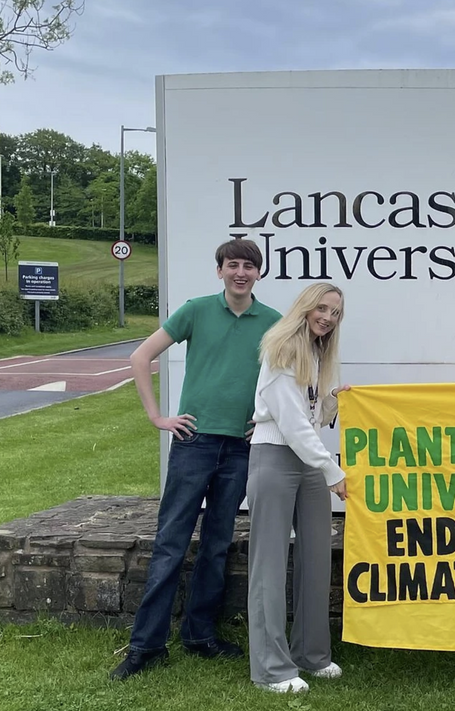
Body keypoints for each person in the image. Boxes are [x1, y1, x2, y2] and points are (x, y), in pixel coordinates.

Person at [112, 239, 281, 680]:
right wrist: (157, 417)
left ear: (258, 273)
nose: (240, 272)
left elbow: (293, 376)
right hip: (194, 441)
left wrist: (265, 420)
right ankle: (145, 646)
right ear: (220, 271)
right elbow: (140, 356)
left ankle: (200, 634)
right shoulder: (196, 310)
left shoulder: (273, 323)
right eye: (232, 265)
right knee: (170, 543)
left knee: (217, 543)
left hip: (241, 449)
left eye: (248, 266)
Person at [246, 282, 349, 693]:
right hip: (274, 457)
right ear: (305, 307)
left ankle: (311, 654)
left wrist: (335, 402)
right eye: (322, 308)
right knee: (268, 566)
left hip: (306, 461)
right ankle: (272, 668)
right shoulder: (281, 348)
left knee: (316, 556)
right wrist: (333, 471)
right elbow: (288, 424)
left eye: (335, 312)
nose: (327, 317)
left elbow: (311, 417)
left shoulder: (319, 352)